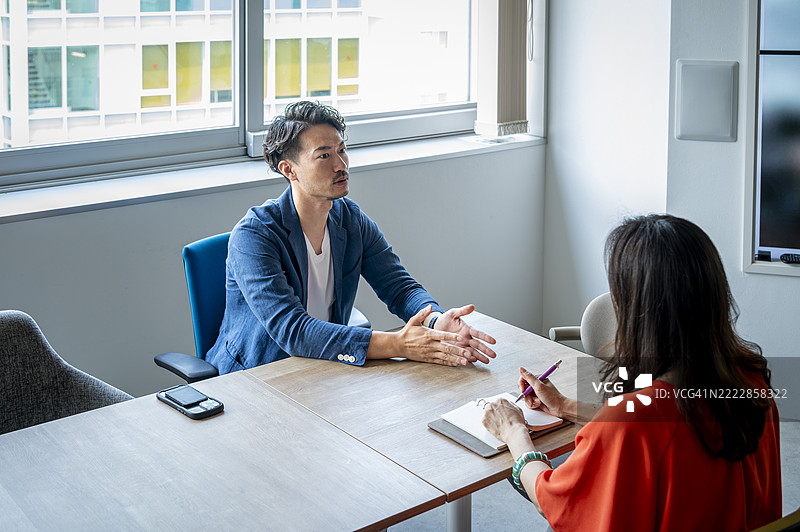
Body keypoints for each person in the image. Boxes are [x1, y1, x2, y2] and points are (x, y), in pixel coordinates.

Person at [482, 214, 781, 531]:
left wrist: (515, 433)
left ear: (636, 311)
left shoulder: (630, 427)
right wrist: (564, 406)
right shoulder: (751, 378)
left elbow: (555, 501)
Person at [205, 101, 496, 373]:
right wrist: (399, 344)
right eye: (324, 155)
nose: (340, 164)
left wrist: (435, 320)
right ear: (289, 170)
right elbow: (291, 331)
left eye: (341, 150)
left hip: (325, 369)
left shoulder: (349, 219)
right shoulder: (254, 235)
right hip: (257, 376)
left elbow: (399, 287)